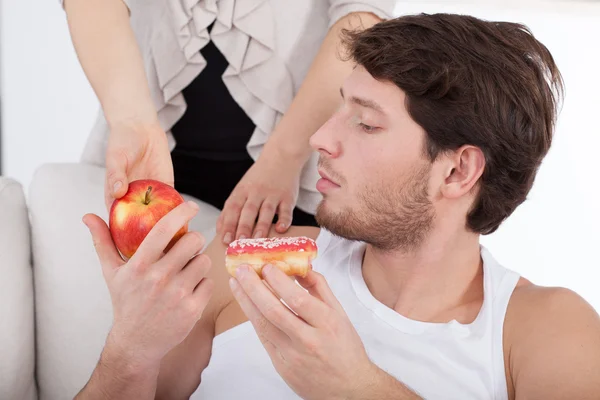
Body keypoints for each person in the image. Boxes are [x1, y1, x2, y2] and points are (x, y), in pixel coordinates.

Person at [77, 13, 600, 400]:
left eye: (366, 123)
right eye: (339, 108)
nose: (321, 138)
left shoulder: (543, 331)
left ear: (458, 171)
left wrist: (355, 386)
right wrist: (129, 349)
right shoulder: (254, 262)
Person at [61, 0, 395, 244]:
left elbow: (362, 16)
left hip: (297, 176)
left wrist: (283, 158)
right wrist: (131, 122)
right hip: (146, 163)